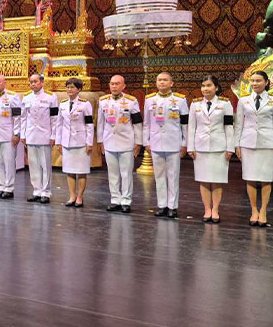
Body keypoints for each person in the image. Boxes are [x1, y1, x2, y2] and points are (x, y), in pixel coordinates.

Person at [234, 70, 273, 227]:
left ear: (266, 82)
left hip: (267, 143)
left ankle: (263, 211)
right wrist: (237, 145)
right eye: (252, 81)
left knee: (266, 178)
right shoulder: (243, 101)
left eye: (258, 80)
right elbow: (239, 124)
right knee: (250, 177)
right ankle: (254, 210)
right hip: (247, 143)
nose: (254, 84)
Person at [187, 75, 234, 223]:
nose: (205, 88)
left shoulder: (225, 104)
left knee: (217, 180)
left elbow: (229, 126)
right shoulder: (195, 104)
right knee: (204, 180)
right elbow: (191, 127)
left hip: (219, 146)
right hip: (200, 146)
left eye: (209, 85)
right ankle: (207, 209)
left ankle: (215, 209)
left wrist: (230, 147)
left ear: (216, 88)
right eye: (203, 86)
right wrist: (190, 147)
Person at [143, 72, 189, 218]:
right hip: (156, 142)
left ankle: (172, 206)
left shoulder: (180, 100)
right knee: (159, 176)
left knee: (173, 176)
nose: (162, 82)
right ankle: (162, 205)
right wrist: (146, 141)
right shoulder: (149, 100)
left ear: (171, 83)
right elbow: (146, 123)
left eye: (165, 80)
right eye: (159, 80)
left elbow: (185, 124)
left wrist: (185, 143)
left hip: (173, 142)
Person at [97, 74, 142, 213]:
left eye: (117, 84)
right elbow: (100, 123)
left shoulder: (131, 101)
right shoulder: (103, 101)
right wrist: (100, 141)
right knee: (112, 173)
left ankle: (126, 200)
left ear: (123, 86)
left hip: (126, 141)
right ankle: (115, 199)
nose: (114, 86)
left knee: (126, 173)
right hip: (109, 141)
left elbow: (137, 123)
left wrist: (138, 142)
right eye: (112, 84)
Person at [21, 73, 58, 204]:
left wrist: (54, 135)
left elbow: (54, 118)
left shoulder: (50, 96)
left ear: (42, 82)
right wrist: (23, 134)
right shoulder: (26, 97)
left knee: (45, 164)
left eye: (35, 82)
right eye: (31, 82)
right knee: (33, 164)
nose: (33, 84)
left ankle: (46, 192)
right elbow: (23, 118)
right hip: (31, 134)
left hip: (45, 134)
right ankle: (37, 190)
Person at [57, 78, 94, 208]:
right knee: (69, 171)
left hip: (81, 142)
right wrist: (58, 142)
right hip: (67, 142)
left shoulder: (85, 104)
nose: (69, 89)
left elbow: (89, 124)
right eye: (68, 87)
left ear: (79, 89)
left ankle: (80, 197)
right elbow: (59, 124)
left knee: (81, 171)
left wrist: (89, 143)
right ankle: (72, 195)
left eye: (72, 87)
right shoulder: (62, 104)